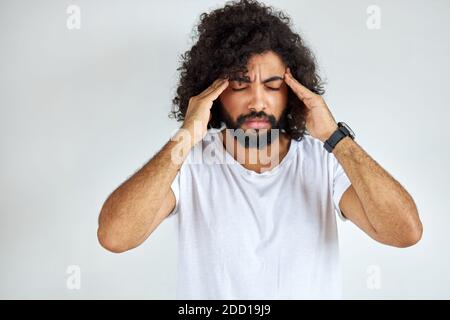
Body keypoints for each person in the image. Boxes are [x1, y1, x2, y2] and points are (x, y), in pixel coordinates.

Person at [97, 0, 423, 299]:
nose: (257, 101)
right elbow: (115, 237)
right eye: (240, 84)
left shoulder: (325, 160)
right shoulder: (189, 162)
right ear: (213, 92)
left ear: (292, 92)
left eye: (272, 85)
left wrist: (335, 138)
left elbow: (404, 232)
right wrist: (186, 136)